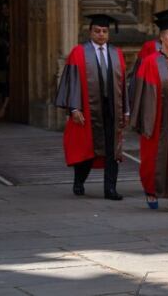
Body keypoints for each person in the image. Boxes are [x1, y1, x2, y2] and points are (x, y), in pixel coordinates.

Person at [55, 14, 129, 200]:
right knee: (87, 149)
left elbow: (122, 84)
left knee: (113, 149)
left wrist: (126, 110)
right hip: (88, 109)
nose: (101, 34)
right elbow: (71, 82)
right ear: (90, 32)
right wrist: (74, 108)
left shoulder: (116, 52)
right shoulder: (79, 52)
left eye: (104, 31)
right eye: (97, 31)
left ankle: (110, 189)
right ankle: (79, 180)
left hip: (112, 107)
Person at [130, 16, 168, 213]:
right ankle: (151, 190)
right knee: (154, 156)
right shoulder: (150, 62)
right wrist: (143, 119)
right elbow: (141, 92)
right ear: (161, 37)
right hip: (157, 115)